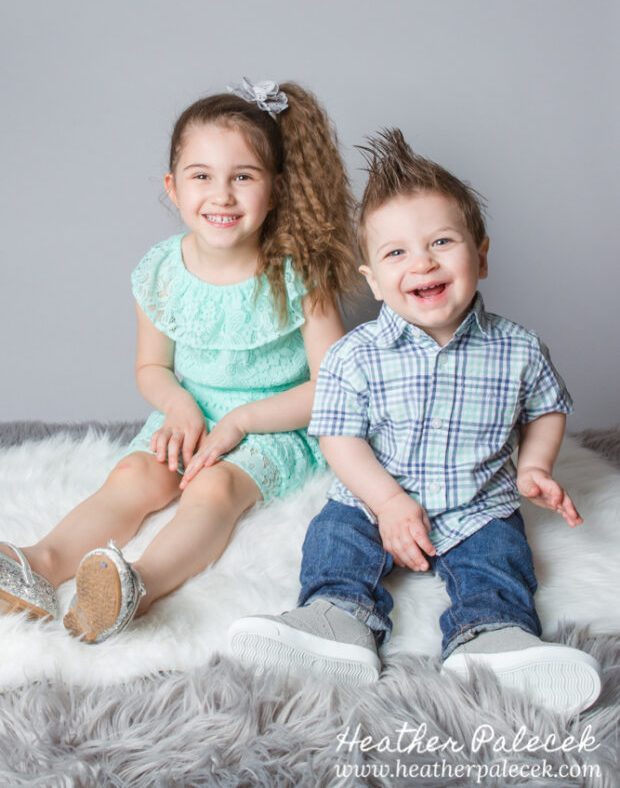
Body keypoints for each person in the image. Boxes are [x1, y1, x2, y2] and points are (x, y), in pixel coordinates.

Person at [229, 128, 602, 715]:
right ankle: (337, 620)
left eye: (441, 242)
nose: (422, 261)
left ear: (481, 254)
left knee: (500, 559)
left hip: (477, 502)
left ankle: (492, 637)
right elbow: (339, 438)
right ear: (374, 280)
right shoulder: (357, 354)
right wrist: (385, 501)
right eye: (396, 252)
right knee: (335, 540)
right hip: (375, 497)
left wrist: (534, 465)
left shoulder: (519, 348)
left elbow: (546, 407)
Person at [0, 78, 357, 643]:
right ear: (173, 186)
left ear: (277, 188)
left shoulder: (299, 273)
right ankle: (40, 562)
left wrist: (241, 422)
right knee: (135, 474)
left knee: (214, 489)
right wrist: (179, 406)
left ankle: (135, 587)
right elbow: (152, 368)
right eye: (202, 177)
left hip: (275, 425)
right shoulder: (161, 271)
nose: (222, 195)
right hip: (192, 414)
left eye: (243, 177)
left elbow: (335, 384)